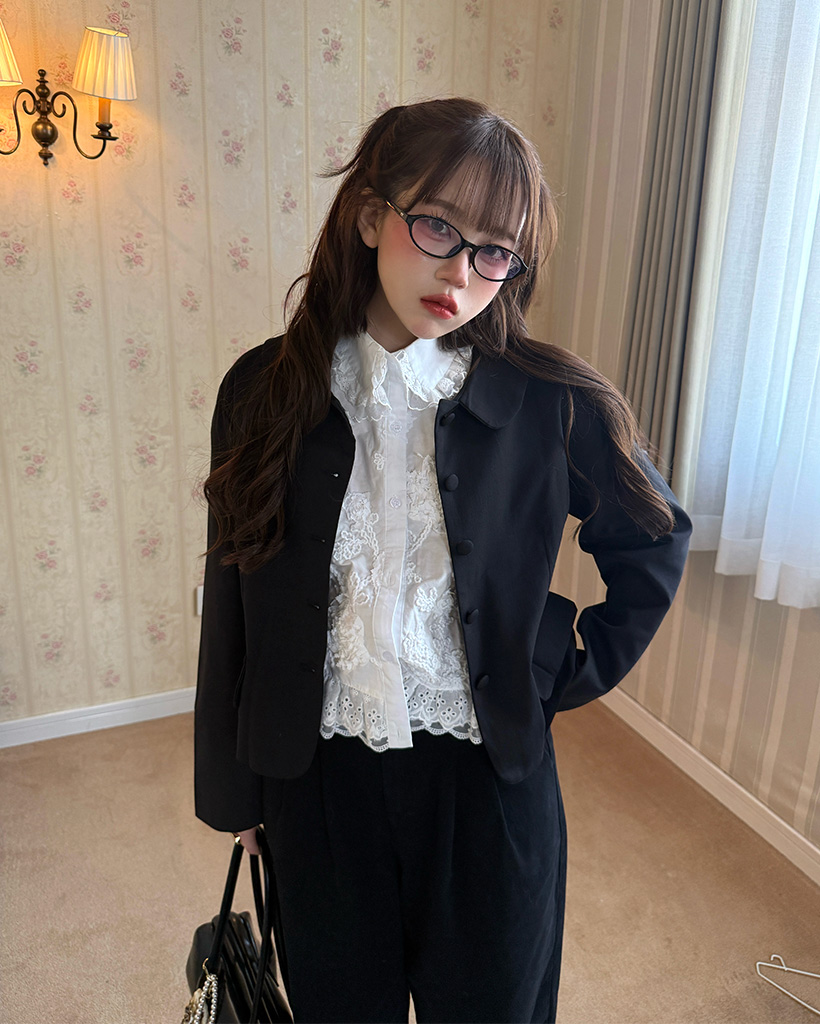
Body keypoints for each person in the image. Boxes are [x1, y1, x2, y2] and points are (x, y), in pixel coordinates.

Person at [194, 97, 691, 1024]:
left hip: (486, 785)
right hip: (316, 781)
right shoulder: (263, 389)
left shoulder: (549, 400)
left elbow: (654, 535)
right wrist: (233, 787)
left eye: (496, 252)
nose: (462, 274)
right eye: (438, 228)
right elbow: (232, 588)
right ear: (370, 215)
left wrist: (557, 665)